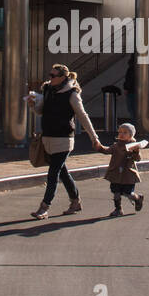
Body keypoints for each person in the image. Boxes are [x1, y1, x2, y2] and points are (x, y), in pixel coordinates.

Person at [25, 63, 102, 220]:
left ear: (62, 77)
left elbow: (82, 115)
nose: (50, 78)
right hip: (48, 137)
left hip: (64, 139)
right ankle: (75, 201)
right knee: (63, 172)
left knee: (53, 173)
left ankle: (44, 207)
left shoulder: (72, 94)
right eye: (50, 75)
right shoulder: (47, 89)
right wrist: (33, 105)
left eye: (53, 75)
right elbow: (41, 111)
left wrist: (94, 138)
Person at [97, 122, 145, 217]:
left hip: (128, 174)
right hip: (115, 173)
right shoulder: (116, 146)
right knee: (116, 192)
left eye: (125, 132)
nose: (121, 134)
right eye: (120, 132)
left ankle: (137, 198)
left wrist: (136, 151)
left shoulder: (133, 146)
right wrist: (99, 147)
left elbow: (138, 159)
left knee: (128, 192)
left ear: (131, 135)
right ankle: (118, 209)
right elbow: (107, 150)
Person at [123, 54, 137, 122]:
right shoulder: (139, 68)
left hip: (131, 90)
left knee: (131, 108)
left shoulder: (131, 69)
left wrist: (126, 88)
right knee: (135, 108)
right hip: (136, 90)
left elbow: (129, 79)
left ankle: (134, 123)